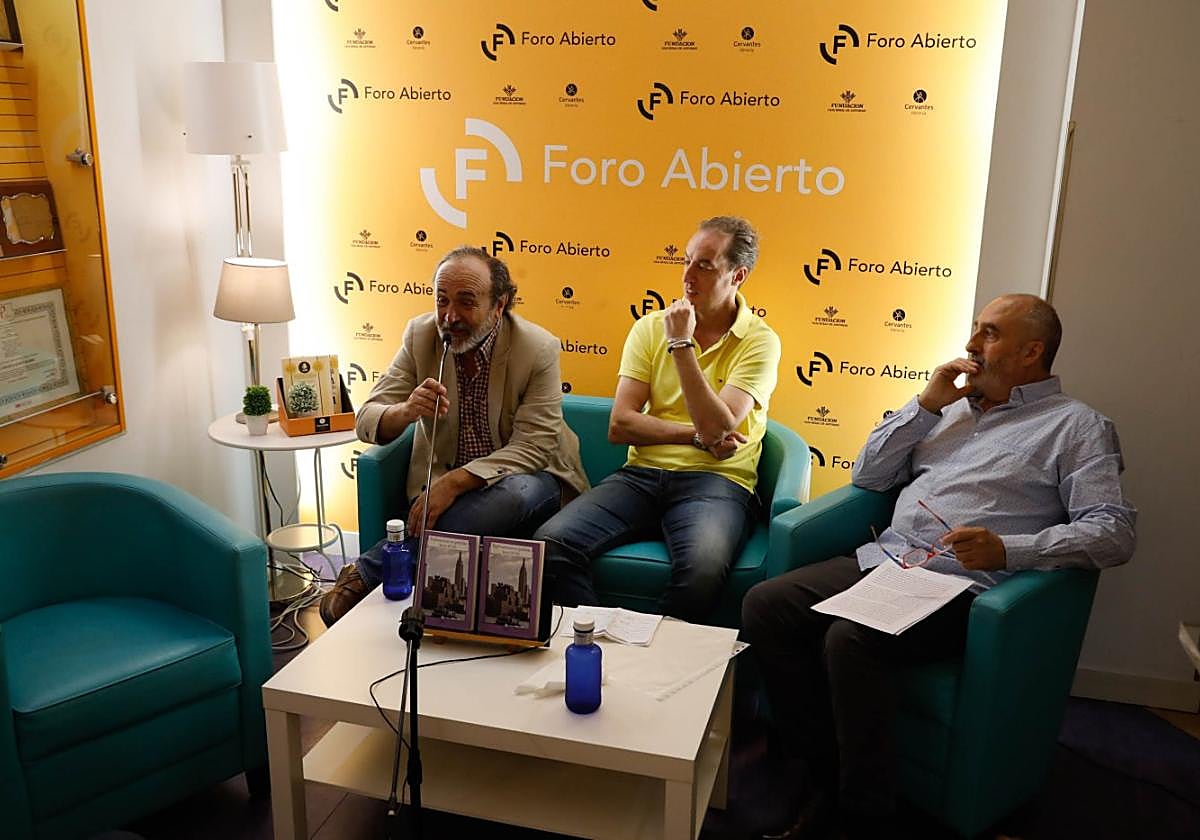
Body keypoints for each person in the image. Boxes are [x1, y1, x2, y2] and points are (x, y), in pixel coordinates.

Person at [740, 294, 1137, 839]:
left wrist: (1010, 549)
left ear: (1031, 351)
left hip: (964, 587)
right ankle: (820, 770)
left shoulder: (1077, 427)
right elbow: (869, 477)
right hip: (889, 560)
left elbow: (1112, 532)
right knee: (766, 605)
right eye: (975, 329)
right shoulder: (949, 408)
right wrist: (925, 404)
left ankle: (863, 816)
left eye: (990, 333)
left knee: (850, 639)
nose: (971, 344)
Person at [319, 246, 588, 626]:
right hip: (454, 492)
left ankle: (368, 571)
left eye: (466, 302)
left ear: (499, 305)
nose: (450, 316)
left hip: (532, 480)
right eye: (441, 300)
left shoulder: (535, 347)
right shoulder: (421, 335)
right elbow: (366, 419)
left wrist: (455, 483)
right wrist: (406, 411)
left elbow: (534, 447)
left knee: (514, 493)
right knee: (472, 512)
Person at [535, 216, 782, 622]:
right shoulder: (649, 328)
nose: (687, 275)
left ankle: (657, 653)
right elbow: (621, 425)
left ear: (737, 275)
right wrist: (695, 438)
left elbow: (719, 427)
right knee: (551, 543)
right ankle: (603, 642)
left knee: (701, 571)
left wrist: (681, 344)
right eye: (686, 260)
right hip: (642, 476)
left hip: (717, 482)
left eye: (705, 265)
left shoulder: (760, 341)